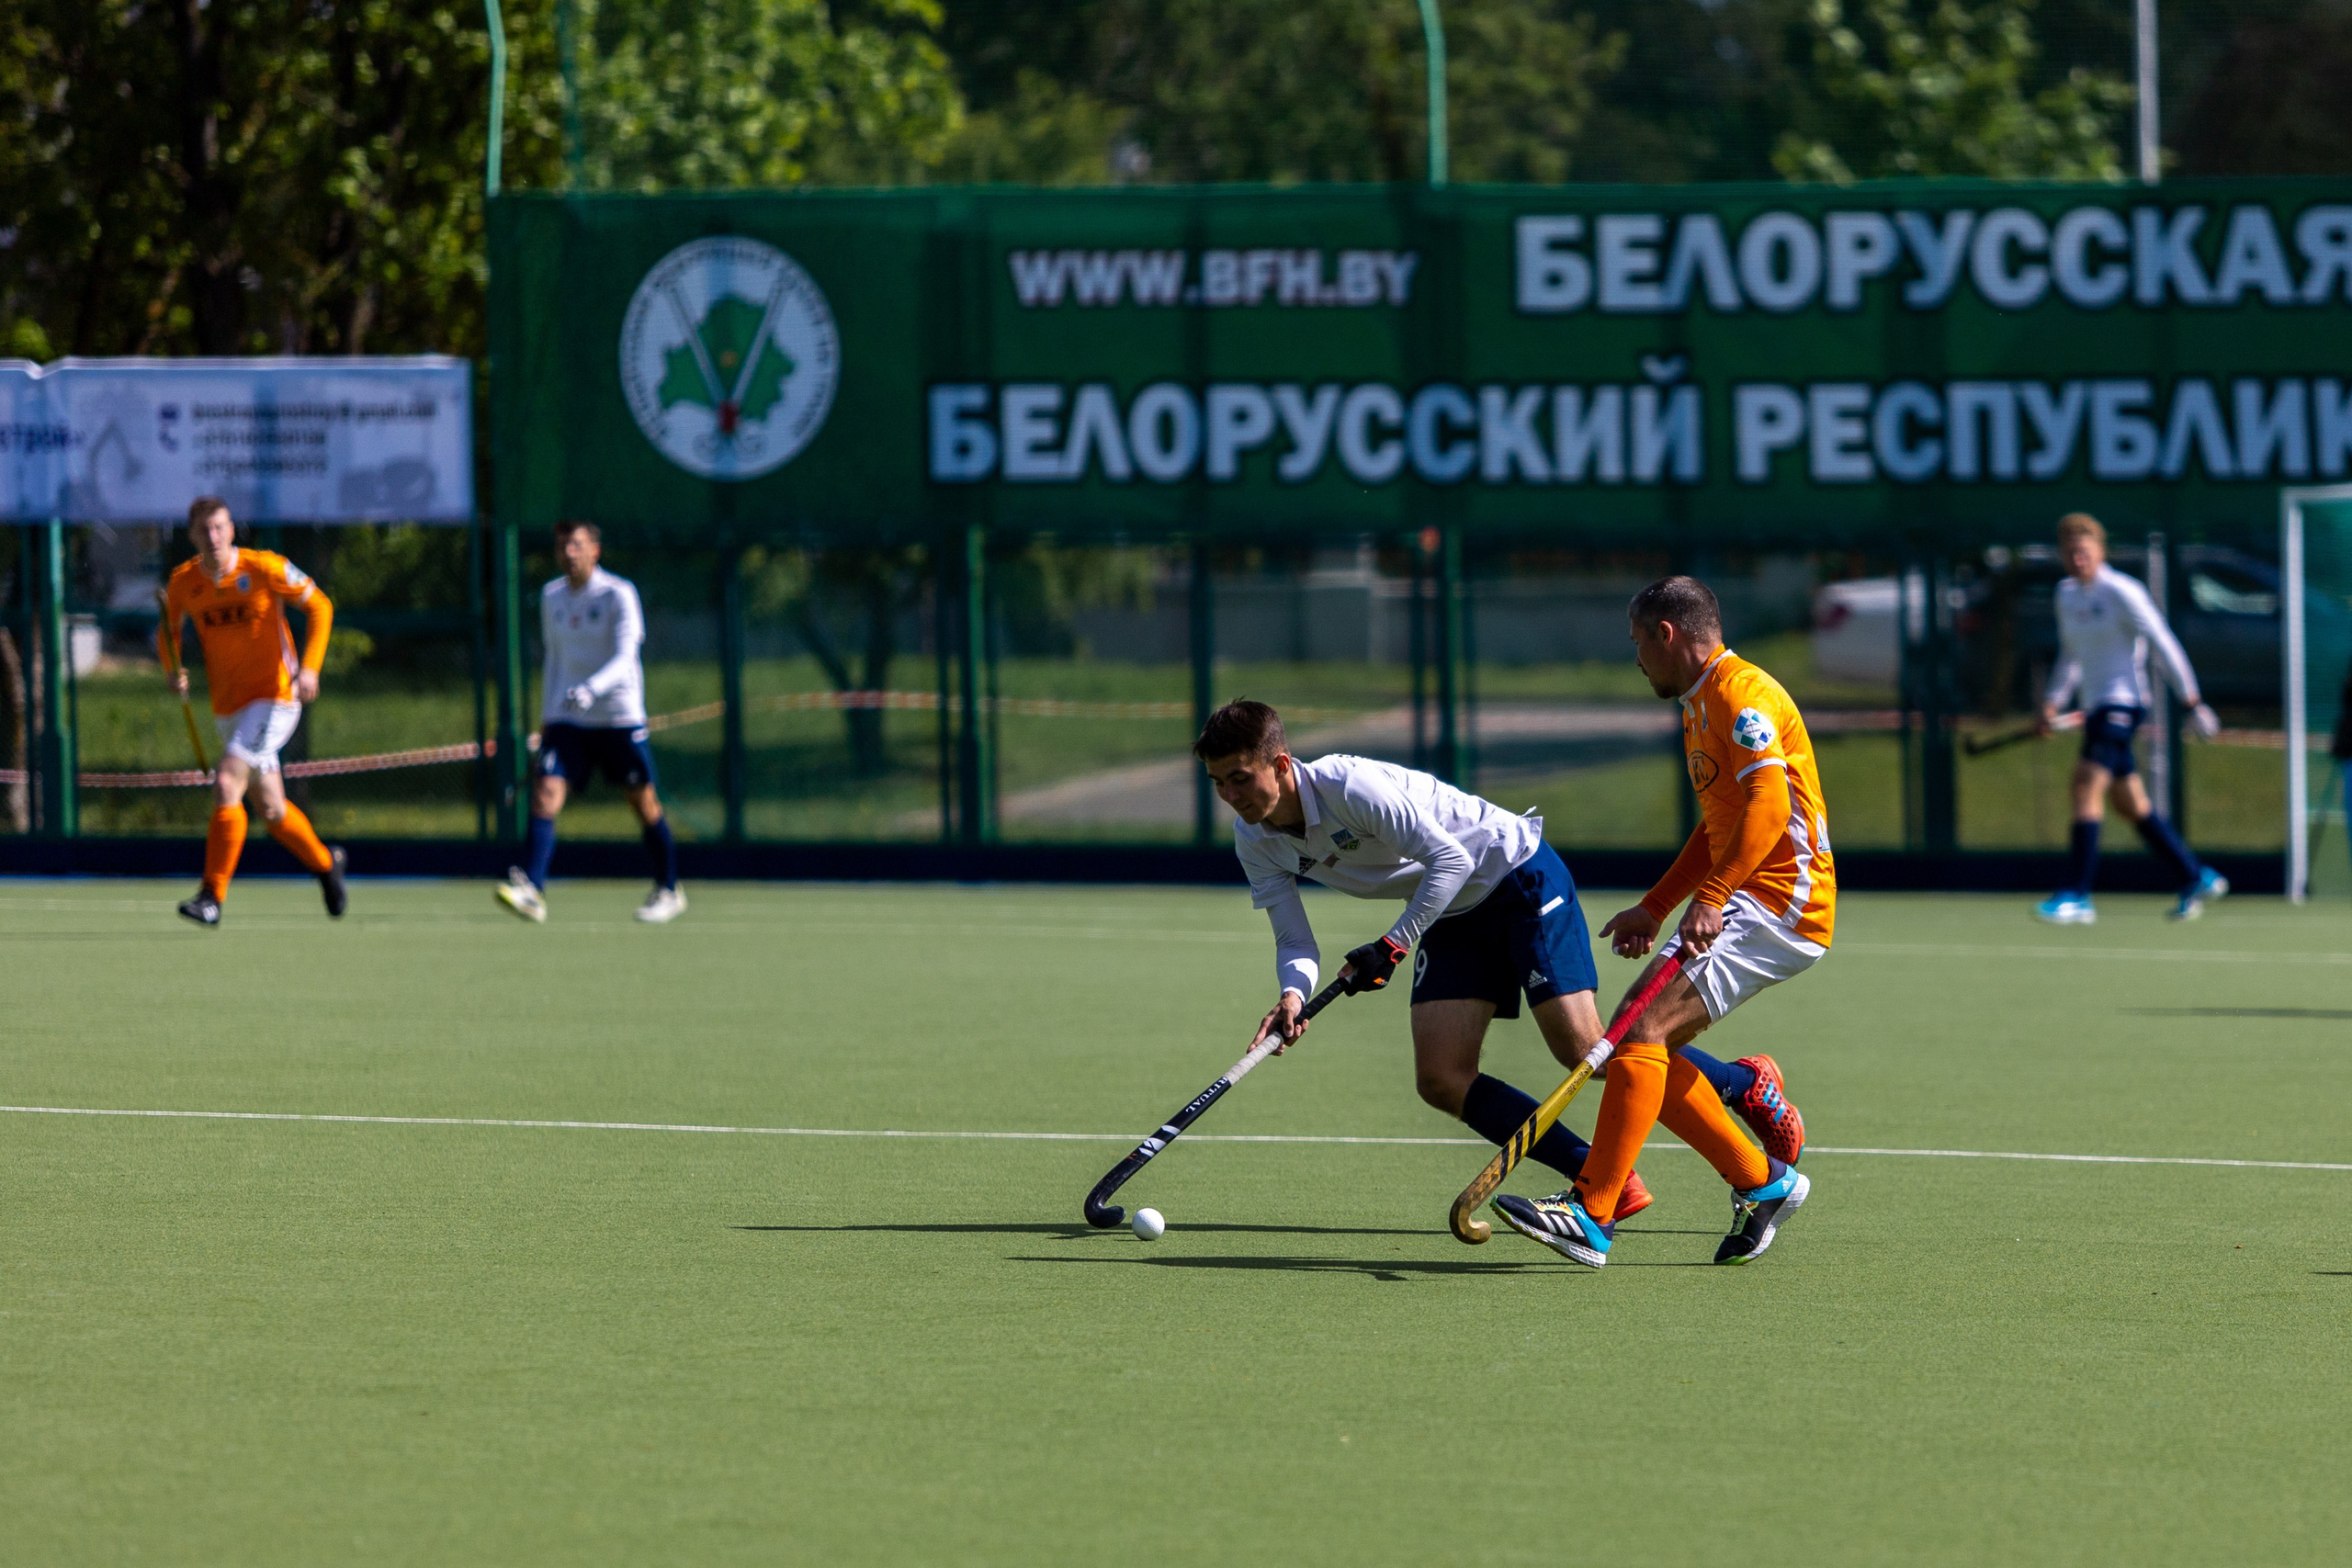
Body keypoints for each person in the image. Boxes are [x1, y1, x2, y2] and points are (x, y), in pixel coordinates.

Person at [1198, 699, 1662, 1223]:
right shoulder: (1254, 840)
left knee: (1583, 1048)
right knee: (1443, 1076)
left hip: (1512, 875)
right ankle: (1602, 1176)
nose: (1230, 796)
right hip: (1449, 906)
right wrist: (1293, 995)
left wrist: (1392, 946)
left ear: (1281, 764)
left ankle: (1740, 1085)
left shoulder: (1349, 788)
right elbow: (1295, 942)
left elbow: (1454, 858)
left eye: (1239, 778)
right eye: (1218, 783)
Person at [1488, 576, 1827, 1269]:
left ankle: (1592, 1210)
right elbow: (1718, 826)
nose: (1636, 658)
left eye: (1638, 642)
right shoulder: (1701, 703)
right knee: (1645, 1044)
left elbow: (1766, 805)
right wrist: (1657, 903)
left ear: (1666, 634)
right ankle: (1761, 1182)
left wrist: (1713, 894)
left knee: (1638, 1028)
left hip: (1777, 900)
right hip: (1746, 895)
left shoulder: (1742, 696)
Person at [160, 496, 346, 927]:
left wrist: (311, 669)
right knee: (273, 810)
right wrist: (173, 671)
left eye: (220, 527)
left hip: (276, 698)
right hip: (229, 707)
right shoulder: (184, 582)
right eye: (204, 530)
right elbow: (167, 633)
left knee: (227, 783)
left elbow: (320, 606)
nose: (213, 537)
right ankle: (326, 864)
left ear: (232, 530)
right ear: (192, 535)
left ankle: (212, 897)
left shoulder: (264, 567)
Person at [2033, 513, 2227, 925]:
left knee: (2085, 784)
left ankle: (2077, 895)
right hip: (2094, 707)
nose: (2076, 556)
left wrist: (2192, 702)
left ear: (2101, 551)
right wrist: (2051, 703)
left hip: (2122, 704)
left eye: (2083, 549)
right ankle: (2193, 876)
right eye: (2069, 550)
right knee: (2130, 804)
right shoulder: (2065, 595)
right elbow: (2071, 655)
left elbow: (2162, 642)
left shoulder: (2122, 591)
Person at [494, 520, 684, 924]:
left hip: (618, 716)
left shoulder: (618, 594)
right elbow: (555, 661)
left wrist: (592, 689)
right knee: (546, 792)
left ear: (595, 550)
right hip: (568, 720)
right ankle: (532, 889)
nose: (569, 553)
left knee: (644, 804)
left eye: (577, 545)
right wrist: (548, 719)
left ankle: (668, 888)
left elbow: (625, 657)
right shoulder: (551, 596)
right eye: (563, 546)